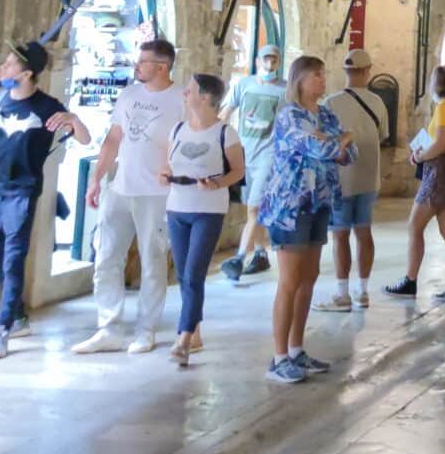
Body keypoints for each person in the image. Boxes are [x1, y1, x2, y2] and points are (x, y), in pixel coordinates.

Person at [0, 40, 88, 358]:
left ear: (26, 74)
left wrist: (74, 120)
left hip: (22, 193)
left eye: (10, 65)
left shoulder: (46, 106)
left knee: (12, 261)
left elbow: (85, 138)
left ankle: (2, 329)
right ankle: (19, 317)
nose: (3, 69)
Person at [74, 37, 178, 355]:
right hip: (119, 187)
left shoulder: (182, 99)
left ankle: (146, 329)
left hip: (156, 192)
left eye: (143, 61)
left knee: (152, 261)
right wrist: (97, 179)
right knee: (106, 257)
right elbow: (114, 138)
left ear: (161, 66)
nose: (137, 65)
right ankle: (108, 327)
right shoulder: (128, 95)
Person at [258, 56, 354, 384]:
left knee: (309, 278)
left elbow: (349, 153)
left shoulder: (325, 114)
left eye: (324, 74)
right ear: (299, 80)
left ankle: (298, 348)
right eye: (316, 75)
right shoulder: (289, 115)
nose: (323, 80)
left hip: (319, 201)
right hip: (290, 205)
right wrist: (336, 142)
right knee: (289, 280)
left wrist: (336, 143)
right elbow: (319, 148)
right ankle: (279, 355)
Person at [158, 72, 243, 366]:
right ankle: (194, 330)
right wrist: (165, 175)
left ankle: (182, 339)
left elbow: (238, 170)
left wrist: (218, 183)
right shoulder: (178, 129)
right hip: (177, 205)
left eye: (189, 90)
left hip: (208, 209)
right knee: (183, 274)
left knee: (194, 273)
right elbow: (169, 162)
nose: (184, 94)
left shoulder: (225, 133)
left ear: (204, 98)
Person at [385, 65, 445, 302]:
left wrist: (419, 156)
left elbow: (440, 143)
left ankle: (410, 280)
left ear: (438, 84)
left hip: (439, 172)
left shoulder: (444, 108)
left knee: (415, 225)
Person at [315, 48, 386, 313]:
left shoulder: (331, 102)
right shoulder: (378, 102)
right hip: (369, 178)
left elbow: (324, 141)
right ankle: (363, 291)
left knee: (340, 236)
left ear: (345, 72)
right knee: (364, 233)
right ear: (368, 71)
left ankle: (342, 293)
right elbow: (383, 135)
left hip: (341, 180)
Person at [220, 44, 286, 283]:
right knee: (250, 206)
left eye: (274, 61)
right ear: (258, 60)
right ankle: (260, 254)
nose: (270, 65)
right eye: (266, 60)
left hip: (268, 156)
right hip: (245, 154)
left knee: (254, 209)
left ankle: (238, 258)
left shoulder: (285, 90)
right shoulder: (244, 85)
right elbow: (227, 111)